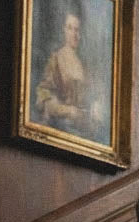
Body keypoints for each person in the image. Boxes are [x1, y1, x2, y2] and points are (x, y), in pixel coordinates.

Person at [35, 9, 106, 141]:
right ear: (64, 30)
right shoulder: (56, 59)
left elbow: (96, 94)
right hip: (61, 126)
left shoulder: (84, 65)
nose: (74, 34)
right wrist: (68, 111)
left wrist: (97, 104)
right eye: (70, 28)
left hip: (83, 128)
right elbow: (44, 94)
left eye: (77, 30)